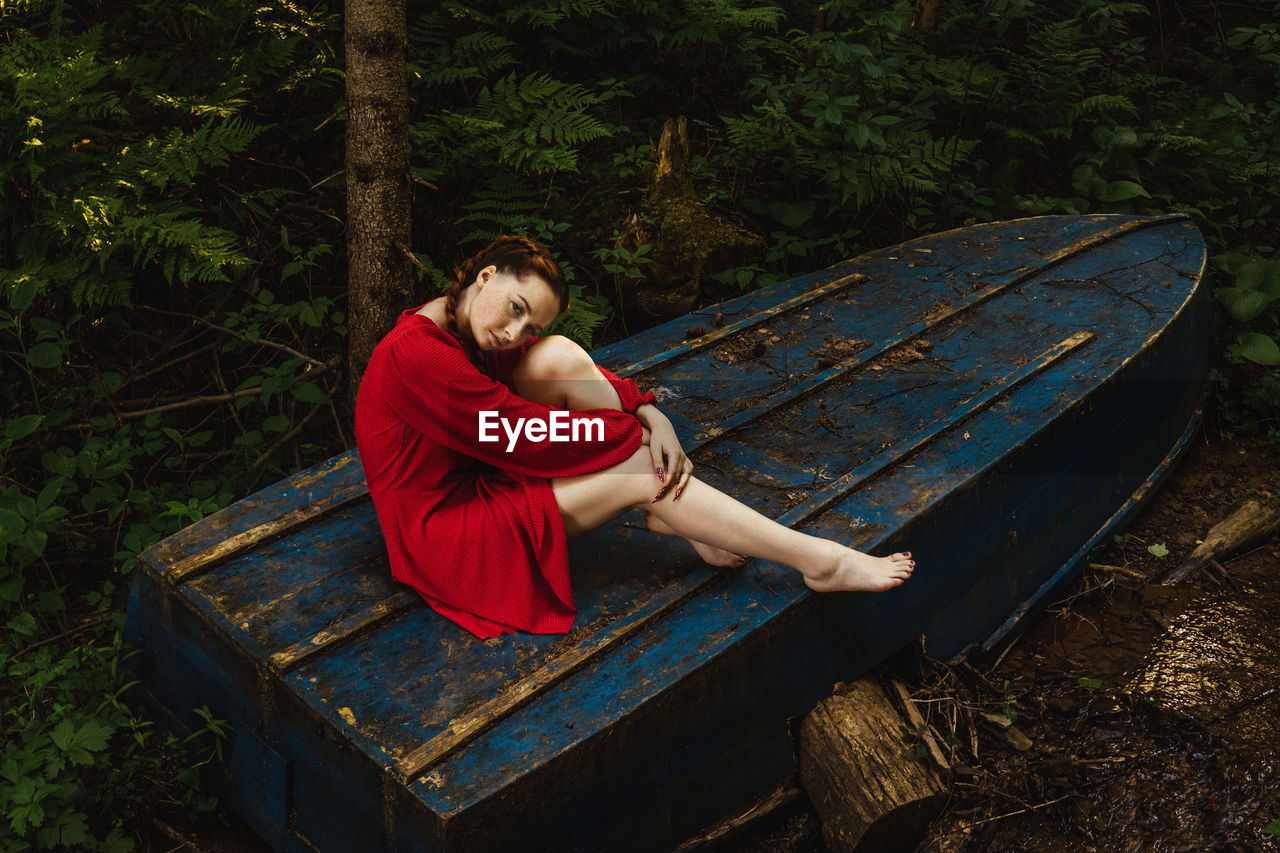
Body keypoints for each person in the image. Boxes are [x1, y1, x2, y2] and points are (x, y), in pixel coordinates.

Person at [354, 235, 915, 639]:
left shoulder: (462, 324)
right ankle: (821, 562)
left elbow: (563, 375)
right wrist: (634, 438)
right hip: (444, 531)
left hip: (477, 472)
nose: (513, 332)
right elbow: (521, 437)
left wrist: (652, 414)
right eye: (515, 308)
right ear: (485, 277)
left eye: (528, 324)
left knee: (561, 357)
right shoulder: (418, 355)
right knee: (640, 470)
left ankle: (672, 510)